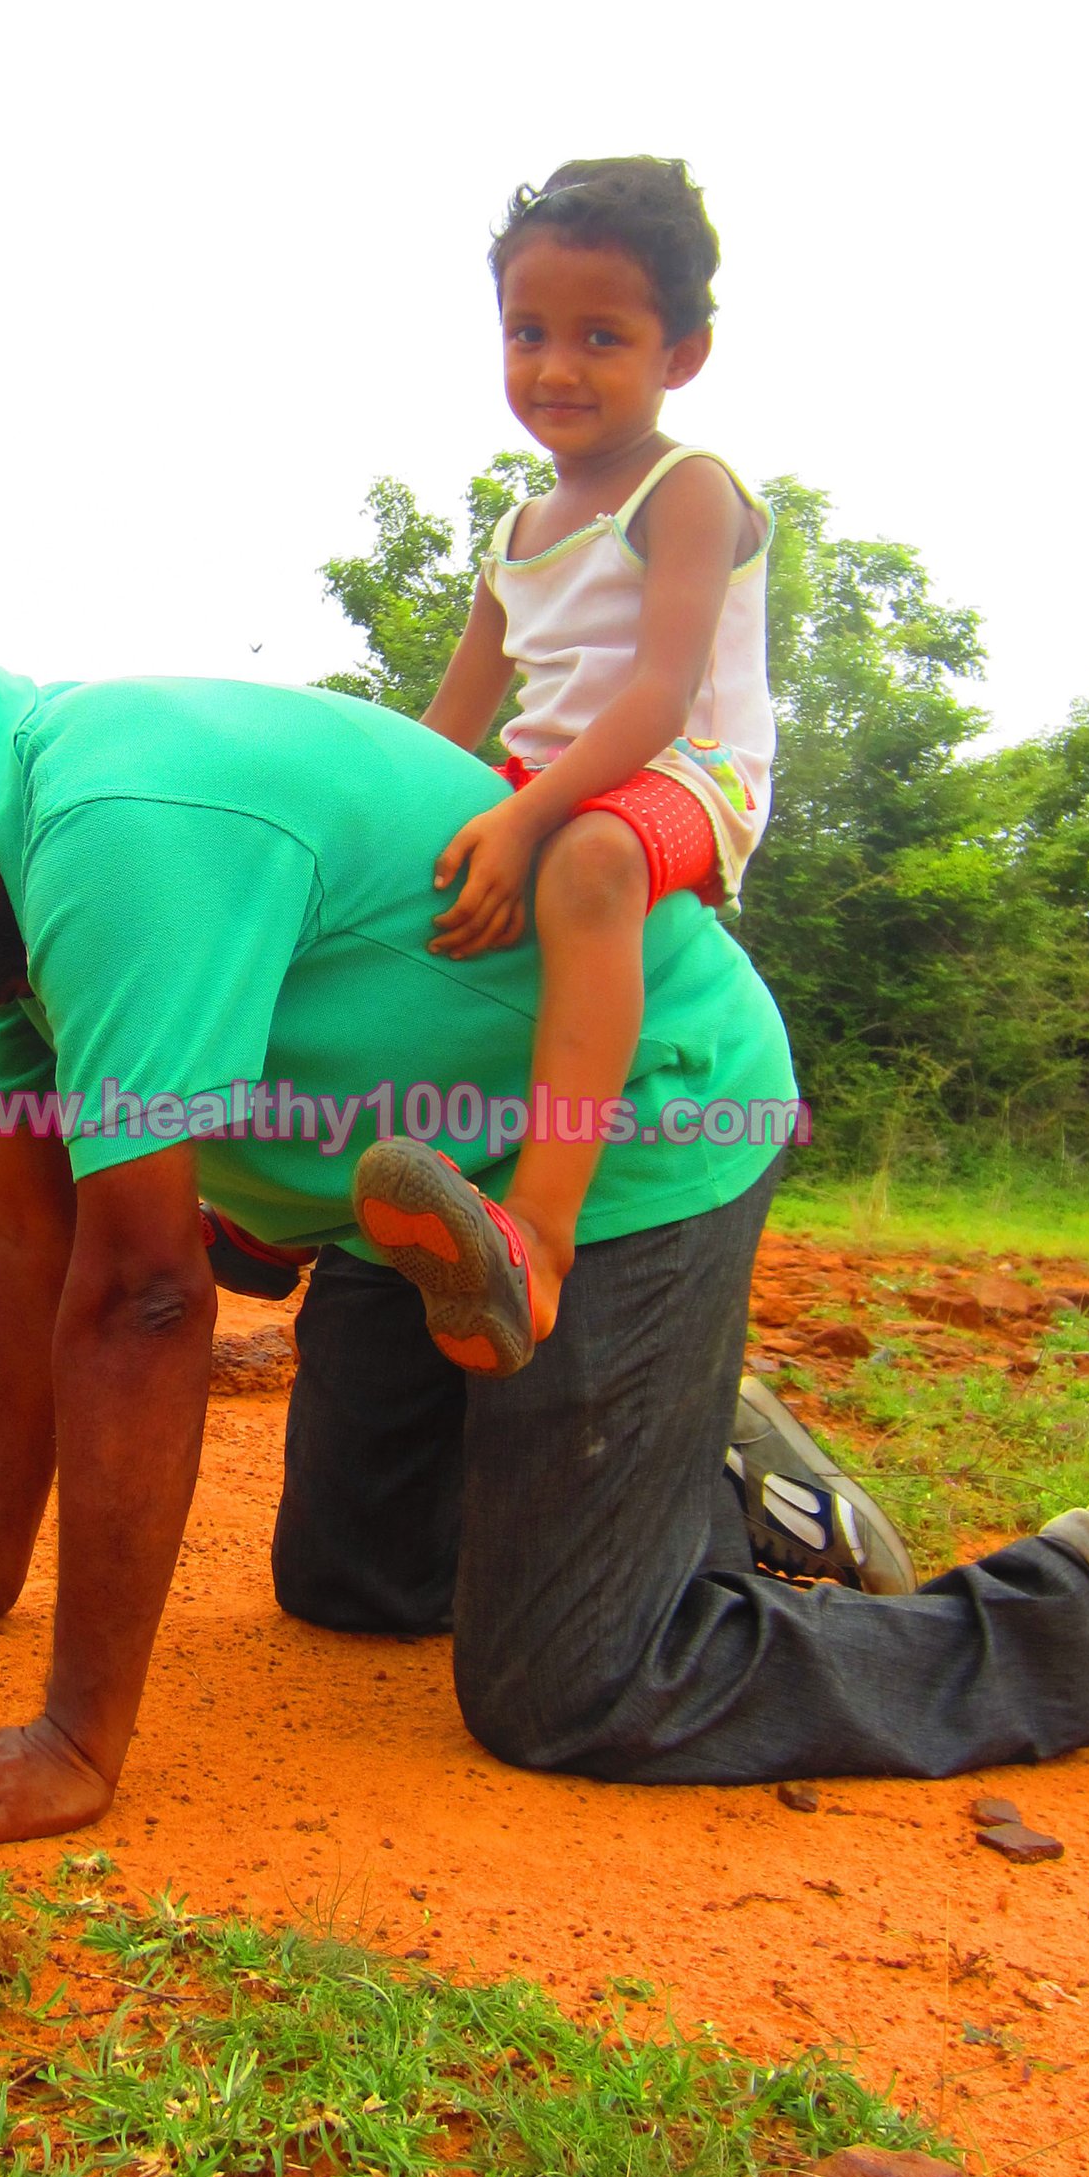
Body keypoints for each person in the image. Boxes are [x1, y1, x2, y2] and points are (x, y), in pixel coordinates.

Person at [0, 667, 1089, 1864]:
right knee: (352, 1579)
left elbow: (148, 1290)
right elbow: (27, 1240)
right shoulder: (3, 909)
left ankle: (1072, 1611)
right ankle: (704, 1473)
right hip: (419, 1206)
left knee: (574, 1685)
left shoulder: (115, 826)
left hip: (629, 1132)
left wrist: (75, 1735)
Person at [354, 157, 773, 1376]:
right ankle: (283, 1195)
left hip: (686, 769)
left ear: (679, 354)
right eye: (528, 332)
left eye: (602, 335)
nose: (555, 367)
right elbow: (449, 725)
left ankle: (537, 1234)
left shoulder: (684, 488)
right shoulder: (512, 535)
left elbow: (655, 692)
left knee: (586, 861)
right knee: (406, 868)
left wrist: (532, 818)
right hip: (548, 772)